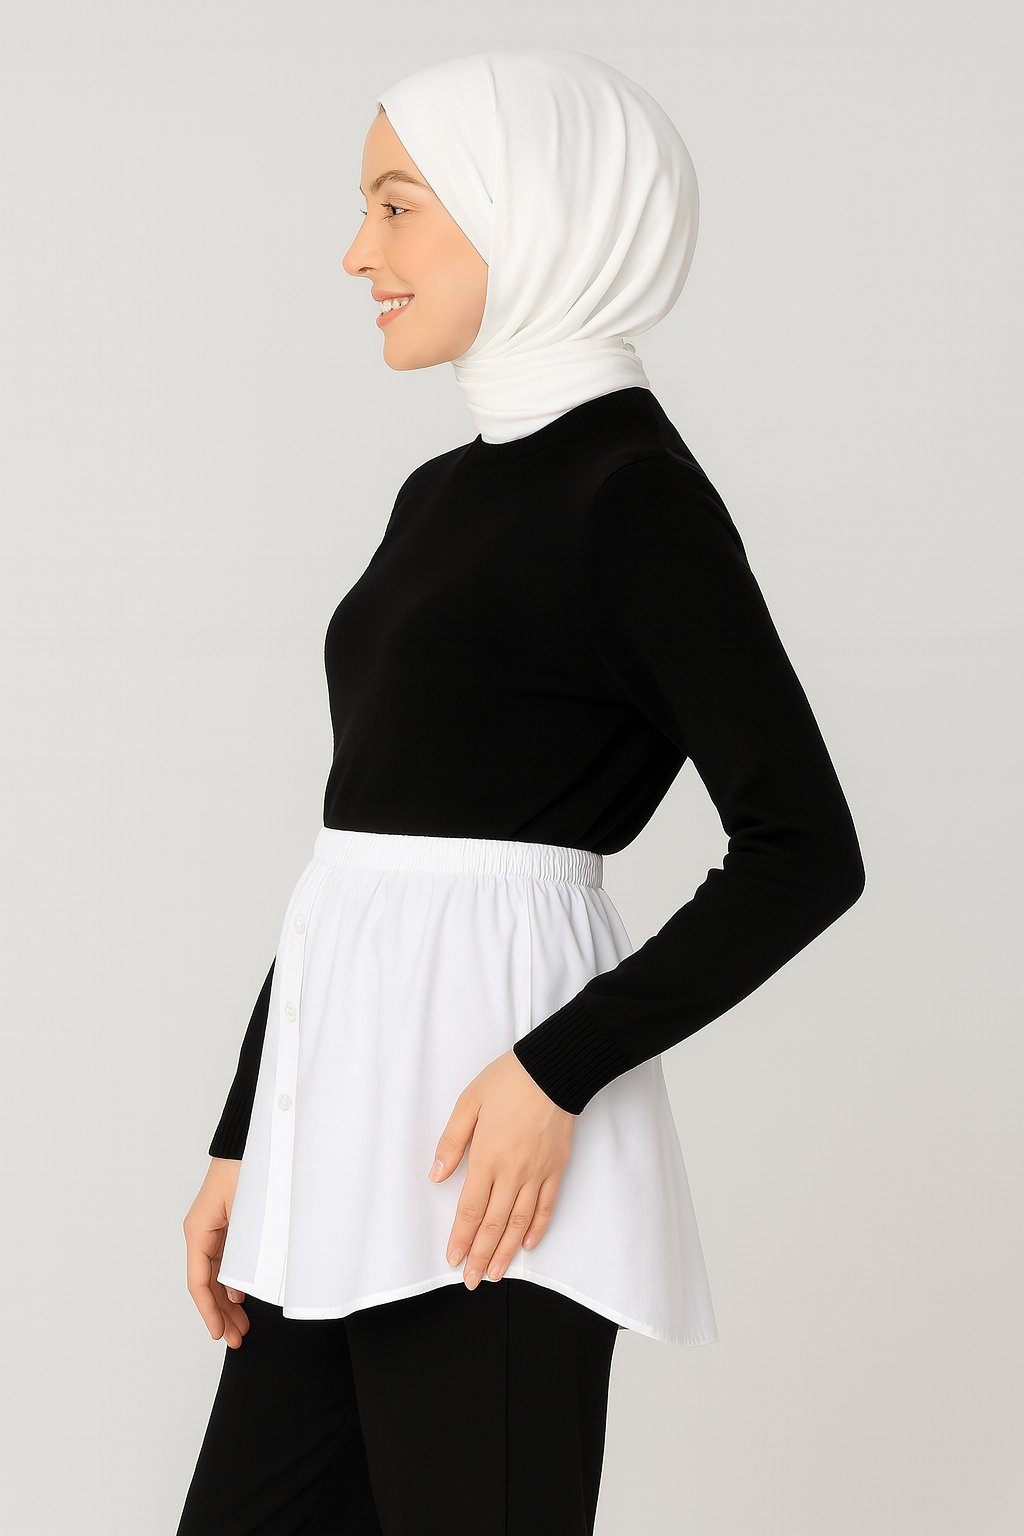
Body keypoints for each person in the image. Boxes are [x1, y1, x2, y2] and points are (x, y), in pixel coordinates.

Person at [176, 47, 865, 1536]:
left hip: (490, 1164)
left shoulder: (635, 496)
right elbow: (357, 858)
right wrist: (247, 1133)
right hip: (329, 1138)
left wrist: (558, 1070)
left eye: (396, 206)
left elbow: (806, 850)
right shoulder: (439, 493)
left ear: (527, 209)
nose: (357, 252)